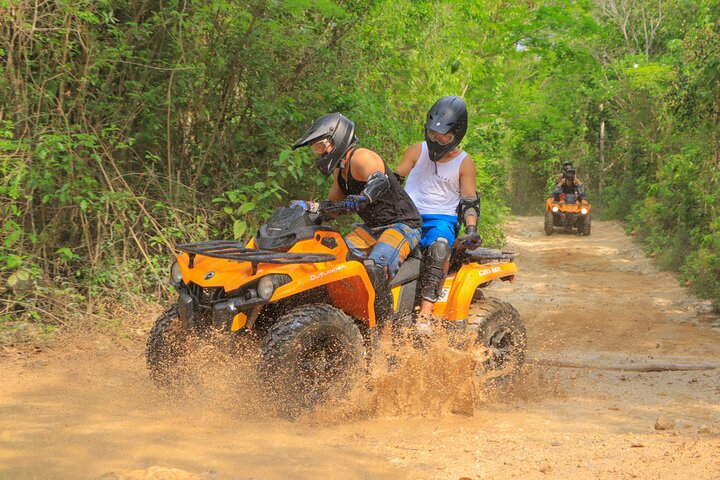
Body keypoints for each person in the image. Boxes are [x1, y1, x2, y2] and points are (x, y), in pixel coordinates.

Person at [291, 112, 422, 323]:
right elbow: (333, 207)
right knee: (333, 260)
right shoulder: (340, 172)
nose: (319, 153)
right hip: (370, 228)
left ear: (338, 138)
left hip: (401, 225)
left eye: (321, 147)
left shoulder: (362, 157)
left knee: (375, 269)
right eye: (315, 149)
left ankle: (386, 337)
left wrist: (364, 197)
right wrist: (309, 207)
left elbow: (379, 180)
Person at [395, 96, 481, 327]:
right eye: (433, 133)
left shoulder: (464, 162)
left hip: (441, 220)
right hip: (406, 215)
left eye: (445, 136)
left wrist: (471, 229)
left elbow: (469, 201)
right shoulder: (416, 151)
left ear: (457, 135)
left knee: (440, 248)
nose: (438, 139)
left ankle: (425, 314)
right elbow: (394, 180)